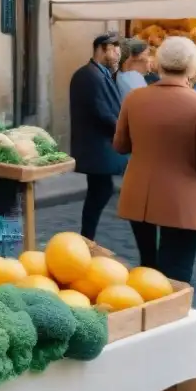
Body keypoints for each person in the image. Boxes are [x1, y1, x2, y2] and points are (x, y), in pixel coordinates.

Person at [114, 37, 196, 284]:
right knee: (176, 272)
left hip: (139, 194)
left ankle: (149, 317)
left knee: (147, 269)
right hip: (183, 197)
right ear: (193, 66)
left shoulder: (135, 98)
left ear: (159, 64)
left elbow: (120, 145)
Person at [69, 32, 127, 240]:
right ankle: (86, 238)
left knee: (100, 190)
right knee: (101, 191)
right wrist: (123, 130)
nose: (118, 56)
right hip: (97, 147)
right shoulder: (89, 75)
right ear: (103, 48)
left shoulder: (99, 73)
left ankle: (87, 238)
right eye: (115, 50)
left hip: (100, 145)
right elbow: (103, 112)